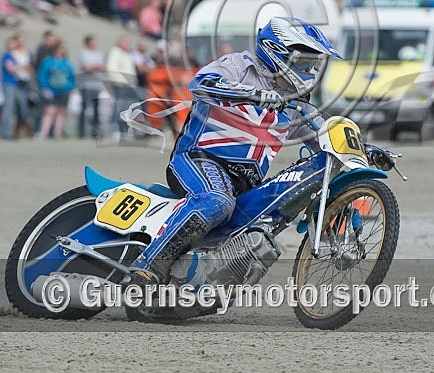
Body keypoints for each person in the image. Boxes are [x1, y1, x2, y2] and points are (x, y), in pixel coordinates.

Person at [129, 17, 341, 283]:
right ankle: (147, 266)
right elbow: (201, 84)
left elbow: (324, 136)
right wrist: (252, 94)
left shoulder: (299, 105)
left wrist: (362, 150)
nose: (309, 71)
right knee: (216, 201)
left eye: (313, 65)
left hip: (245, 184)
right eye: (303, 63)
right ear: (277, 53)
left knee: (259, 234)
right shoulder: (239, 65)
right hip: (199, 160)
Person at [37, 41, 75, 139]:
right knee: (50, 111)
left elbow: (71, 76)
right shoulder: (48, 62)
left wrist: (71, 88)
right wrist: (44, 88)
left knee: (61, 112)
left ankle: (58, 134)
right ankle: (43, 133)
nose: (62, 50)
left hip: (64, 91)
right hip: (51, 91)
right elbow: (42, 75)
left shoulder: (66, 62)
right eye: (60, 48)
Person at [77, 34, 106, 138]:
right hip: (86, 85)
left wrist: (93, 67)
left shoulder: (100, 54)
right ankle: (81, 133)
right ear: (88, 42)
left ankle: (95, 132)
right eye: (93, 41)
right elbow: (86, 67)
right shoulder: (83, 53)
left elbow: (103, 67)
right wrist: (96, 67)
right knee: (84, 109)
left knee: (96, 110)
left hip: (97, 86)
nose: (95, 43)